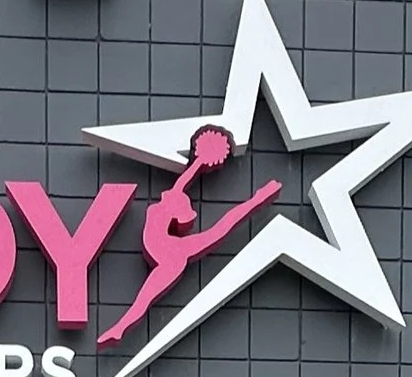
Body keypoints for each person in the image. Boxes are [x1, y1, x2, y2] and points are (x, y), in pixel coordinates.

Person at [97, 123, 280, 347]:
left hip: (169, 261)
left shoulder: (181, 246)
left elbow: (226, 224)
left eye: (179, 201)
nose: (170, 194)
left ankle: (119, 330)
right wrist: (201, 160)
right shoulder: (166, 205)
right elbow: (183, 183)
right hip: (161, 249)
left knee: (143, 300)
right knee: (143, 300)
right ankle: (119, 329)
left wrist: (258, 200)